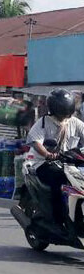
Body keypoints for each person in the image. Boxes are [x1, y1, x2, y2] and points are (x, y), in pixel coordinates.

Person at [26, 89, 84, 230]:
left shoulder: (75, 122)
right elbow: (36, 141)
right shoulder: (43, 122)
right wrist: (47, 154)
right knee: (59, 182)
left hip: (70, 162)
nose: (64, 114)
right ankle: (57, 219)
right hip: (44, 163)